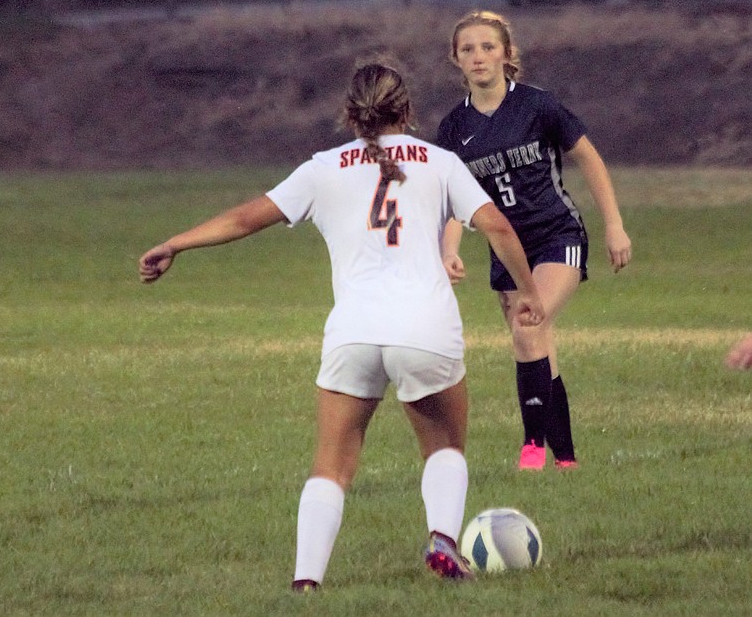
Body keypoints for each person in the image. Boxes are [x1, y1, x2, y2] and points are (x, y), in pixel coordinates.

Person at [139, 60, 546, 587]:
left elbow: (245, 218)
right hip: (425, 328)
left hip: (352, 332)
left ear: (351, 115)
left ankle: (306, 581)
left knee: (331, 465)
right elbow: (496, 225)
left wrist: (175, 243)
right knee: (444, 447)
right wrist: (529, 294)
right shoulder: (440, 162)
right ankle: (443, 540)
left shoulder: (323, 167)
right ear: (407, 108)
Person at [435, 10, 631, 472]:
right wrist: (449, 250)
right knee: (536, 343)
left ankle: (532, 448)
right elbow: (450, 200)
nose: (479, 56)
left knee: (528, 324)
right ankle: (566, 458)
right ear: (456, 60)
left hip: (556, 234)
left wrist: (615, 225)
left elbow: (590, 158)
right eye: (468, 49)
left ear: (506, 53)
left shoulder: (537, 106)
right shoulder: (452, 129)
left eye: (488, 46)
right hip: (506, 248)